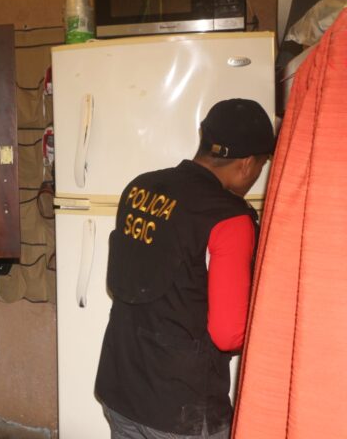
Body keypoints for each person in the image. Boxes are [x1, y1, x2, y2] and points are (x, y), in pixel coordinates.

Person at [94, 98, 276, 439]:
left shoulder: (140, 187)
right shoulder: (229, 218)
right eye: (262, 165)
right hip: (180, 409)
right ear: (247, 163)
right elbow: (228, 333)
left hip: (121, 386)